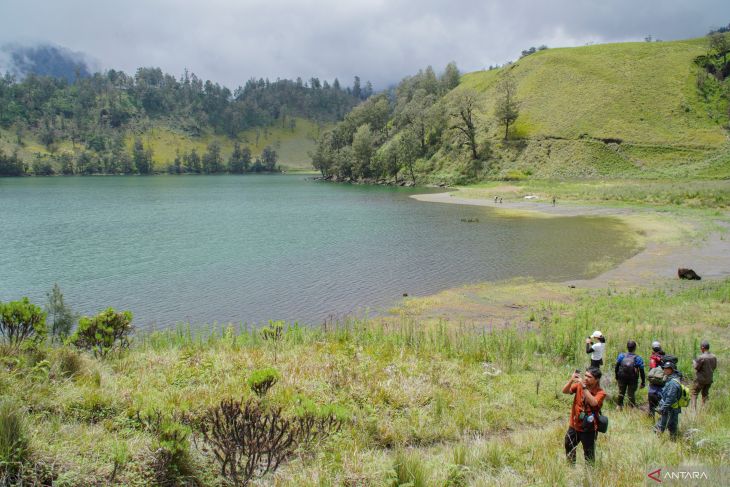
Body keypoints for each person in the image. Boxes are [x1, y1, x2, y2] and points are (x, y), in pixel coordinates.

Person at [563, 367, 606, 465]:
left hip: (589, 428)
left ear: (596, 380)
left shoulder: (601, 392)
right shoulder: (579, 385)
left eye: (589, 377)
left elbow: (594, 403)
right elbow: (565, 391)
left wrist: (583, 387)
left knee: (589, 453)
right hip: (574, 425)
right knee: (569, 445)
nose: (586, 378)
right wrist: (571, 380)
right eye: (585, 375)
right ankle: (570, 468)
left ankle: (589, 475)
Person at [655, 360, 682, 440]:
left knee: (661, 427)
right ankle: (672, 442)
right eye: (664, 368)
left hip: (670, 409)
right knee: (672, 427)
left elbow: (670, 398)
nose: (665, 370)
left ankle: (657, 442)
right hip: (672, 409)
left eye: (667, 369)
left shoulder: (673, 383)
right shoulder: (670, 379)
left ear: (672, 370)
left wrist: (663, 408)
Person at [614, 340, 645, 408]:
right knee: (631, 394)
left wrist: (616, 376)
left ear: (627, 347)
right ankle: (631, 408)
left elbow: (616, 366)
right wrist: (643, 382)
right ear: (635, 348)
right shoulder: (638, 358)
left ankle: (619, 406)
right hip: (633, 379)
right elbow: (642, 370)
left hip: (622, 377)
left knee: (621, 392)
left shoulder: (621, 356)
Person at [692, 340, 717, 408]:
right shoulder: (714, 356)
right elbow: (714, 367)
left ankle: (693, 412)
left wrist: (694, 362)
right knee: (705, 394)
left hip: (700, 380)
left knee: (694, 393)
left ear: (702, 348)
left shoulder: (701, 357)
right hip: (709, 379)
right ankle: (704, 410)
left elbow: (696, 367)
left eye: (700, 348)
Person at [647, 341, 666, 415]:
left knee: (651, 404)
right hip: (662, 381)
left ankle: (651, 415)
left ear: (653, 348)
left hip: (653, 382)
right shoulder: (664, 356)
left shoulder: (653, 358)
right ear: (660, 347)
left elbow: (651, 369)